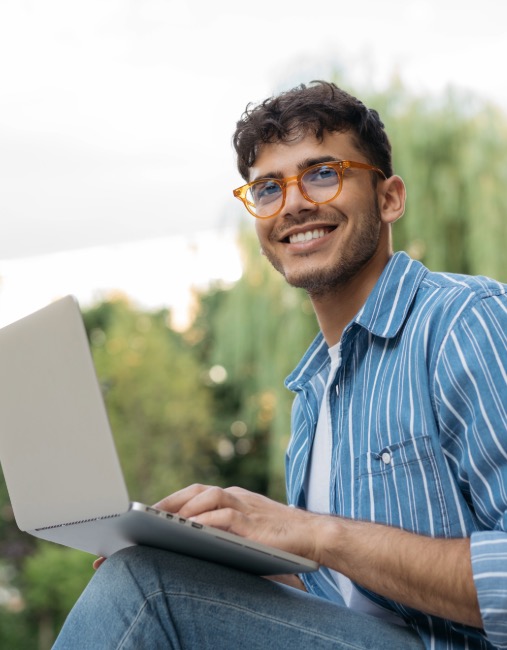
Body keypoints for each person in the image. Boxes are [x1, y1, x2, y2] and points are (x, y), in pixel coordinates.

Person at [53, 81, 507, 649]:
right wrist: (220, 556)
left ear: (389, 198)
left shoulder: (464, 323)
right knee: (154, 575)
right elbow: (336, 601)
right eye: (269, 187)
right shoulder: (313, 389)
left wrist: (315, 533)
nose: (293, 203)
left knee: (144, 590)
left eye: (323, 172)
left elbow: (330, 543)